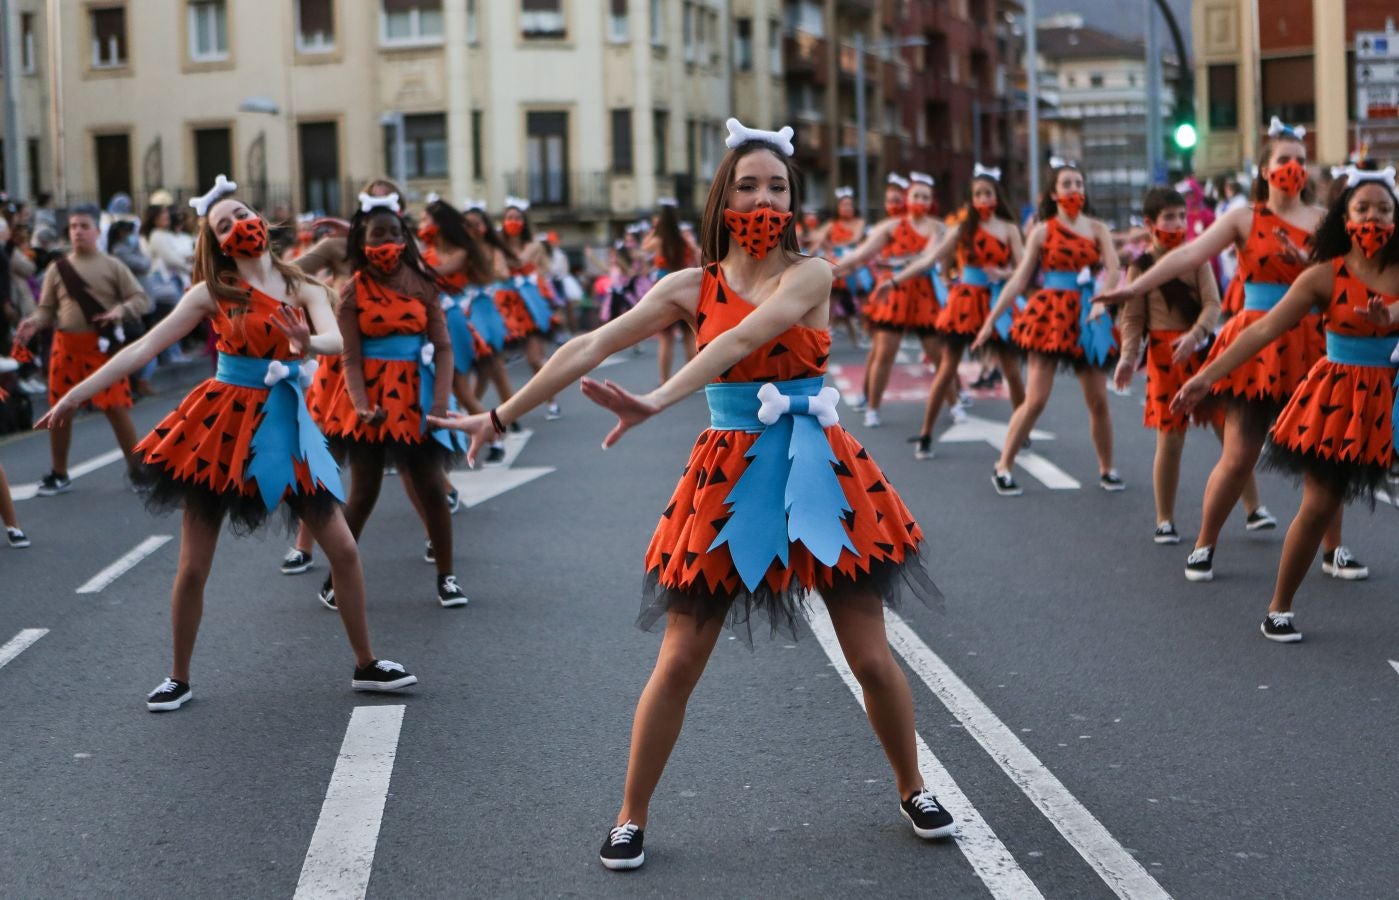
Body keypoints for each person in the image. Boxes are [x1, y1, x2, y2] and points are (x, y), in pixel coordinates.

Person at [429, 117, 953, 871]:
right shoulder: (687, 287)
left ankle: (912, 787)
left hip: (817, 467)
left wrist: (654, 399)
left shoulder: (812, 273)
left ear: (793, 199)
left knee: (870, 657)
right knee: (678, 660)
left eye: (777, 187)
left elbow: (740, 340)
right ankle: (630, 816)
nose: (763, 200)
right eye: (748, 186)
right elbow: (589, 344)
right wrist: (497, 416)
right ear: (722, 199)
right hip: (729, 473)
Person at [32, 178, 416, 709]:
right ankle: (178, 677)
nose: (238, 226)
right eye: (224, 224)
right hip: (220, 427)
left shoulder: (300, 284)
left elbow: (334, 338)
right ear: (215, 241)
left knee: (345, 550)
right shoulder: (211, 292)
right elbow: (144, 347)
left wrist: (307, 341)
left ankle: (366, 663)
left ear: (259, 219)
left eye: (241, 215)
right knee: (194, 565)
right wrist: (76, 395)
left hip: (284, 424)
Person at [1097, 118, 1350, 582]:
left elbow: (1347, 276)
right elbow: (1188, 255)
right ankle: (1204, 543)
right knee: (1238, 455)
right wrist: (1134, 288)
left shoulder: (1324, 221)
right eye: (1284, 159)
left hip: (1312, 341)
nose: (1293, 167)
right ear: (1265, 169)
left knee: (1326, 453)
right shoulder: (1243, 218)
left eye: (1300, 160)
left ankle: (1333, 549)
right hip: (1258, 346)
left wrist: (1307, 265)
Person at [1172, 166, 1398, 641]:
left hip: (1390, 397)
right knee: (1318, 505)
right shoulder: (1322, 276)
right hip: (1341, 399)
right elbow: (1263, 328)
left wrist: (1390, 316)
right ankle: (1279, 608)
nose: (1373, 218)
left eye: (1383, 209)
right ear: (1345, 219)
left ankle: (1329, 557)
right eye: (1362, 208)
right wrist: (1206, 376)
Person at [317, 192, 467, 609]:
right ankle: (333, 579)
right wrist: (362, 407)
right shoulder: (352, 291)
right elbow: (350, 357)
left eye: (394, 233)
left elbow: (444, 348)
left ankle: (447, 577)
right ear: (362, 240)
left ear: (405, 238)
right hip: (370, 402)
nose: (387, 241)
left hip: (416, 400)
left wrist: (439, 405)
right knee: (363, 493)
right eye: (378, 234)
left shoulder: (423, 284)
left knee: (432, 487)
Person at [1114, 187, 1267, 543]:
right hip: (1164, 358)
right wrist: (1127, 357)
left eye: (1182, 216)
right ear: (1150, 223)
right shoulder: (1141, 267)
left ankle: (1253, 508)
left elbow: (1213, 304)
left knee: (1230, 432)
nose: (1178, 223)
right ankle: (1164, 519)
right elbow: (1133, 318)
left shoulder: (1196, 258)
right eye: (1169, 217)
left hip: (1202, 354)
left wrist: (1196, 334)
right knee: (1170, 439)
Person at [971, 160, 1122, 495]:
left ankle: (1107, 468)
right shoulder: (1042, 231)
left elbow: (1113, 269)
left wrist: (1102, 299)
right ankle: (1003, 466)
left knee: (1099, 399)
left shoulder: (1097, 228)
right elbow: (1019, 279)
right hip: (1050, 316)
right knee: (1036, 399)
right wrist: (990, 321)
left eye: (1078, 184)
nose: (1074, 190)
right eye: (1067, 184)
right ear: (1053, 193)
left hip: (1087, 314)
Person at [884, 165, 1027, 459]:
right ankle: (925, 434)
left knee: (1012, 372)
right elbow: (930, 259)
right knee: (947, 369)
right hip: (965, 305)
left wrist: (1003, 273)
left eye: (988, 193)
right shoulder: (963, 228)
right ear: (971, 199)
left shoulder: (1009, 229)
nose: (983, 198)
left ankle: (1021, 431)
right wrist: (895, 281)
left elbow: (1023, 268)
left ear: (997, 196)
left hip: (998, 303)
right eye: (978, 194)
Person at [14, 205, 151, 495]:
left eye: (84, 226)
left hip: (101, 349)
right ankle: (59, 473)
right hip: (65, 348)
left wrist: (121, 311)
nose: (78, 231)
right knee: (60, 411)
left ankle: (138, 470)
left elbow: (141, 299)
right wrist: (34, 323)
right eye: (74, 226)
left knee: (115, 408)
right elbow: (47, 309)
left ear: (97, 231)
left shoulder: (113, 266)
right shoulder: (57, 268)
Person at [833, 173, 953, 428]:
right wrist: (830, 269)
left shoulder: (938, 227)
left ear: (932, 201)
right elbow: (861, 254)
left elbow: (928, 259)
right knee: (883, 351)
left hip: (924, 295)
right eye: (916, 196)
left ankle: (956, 403)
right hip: (893, 295)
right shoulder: (890, 226)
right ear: (908, 198)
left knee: (939, 355)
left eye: (925, 197)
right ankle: (872, 407)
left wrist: (901, 263)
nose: (920, 201)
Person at [495, 198, 560, 418]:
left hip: (530, 304)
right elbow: (497, 270)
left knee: (534, 359)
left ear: (524, 221)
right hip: (504, 306)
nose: (512, 221)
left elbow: (520, 262)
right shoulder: (496, 246)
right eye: (509, 218)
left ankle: (551, 401)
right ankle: (505, 411)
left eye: (517, 218)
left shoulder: (533, 245)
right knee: (493, 363)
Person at [641, 199, 700, 383]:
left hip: (665, 287)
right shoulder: (684, 239)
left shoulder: (658, 240)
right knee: (690, 335)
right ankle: (693, 380)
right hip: (685, 286)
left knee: (666, 338)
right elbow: (698, 255)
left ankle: (665, 380)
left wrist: (655, 228)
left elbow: (644, 246)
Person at [819, 187, 871, 346]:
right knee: (832, 300)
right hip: (837, 265)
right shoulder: (831, 224)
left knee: (862, 301)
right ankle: (825, 332)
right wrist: (828, 250)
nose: (847, 208)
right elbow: (819, 238)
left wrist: (838, 245)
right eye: (843, 205)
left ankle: (865, 331)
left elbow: (856, 239)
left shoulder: (859, 222)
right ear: (838, 207)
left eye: (849, 205)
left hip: (855, 265)